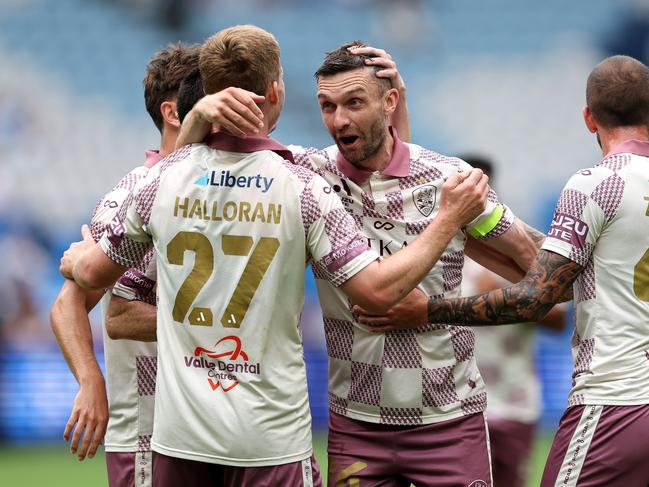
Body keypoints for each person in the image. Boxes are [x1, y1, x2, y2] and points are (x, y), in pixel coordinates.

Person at [58, 25, 489, 487]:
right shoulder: (303, 186)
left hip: (179, 435)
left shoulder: (158, 181)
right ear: (275, 91)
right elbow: (378, 289)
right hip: (270, 438)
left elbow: (89, 276)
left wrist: (76, 260)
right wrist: (446, 219)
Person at [177, 42, 545, 486]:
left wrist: (478, 232)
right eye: (327, 106)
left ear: (389, 101)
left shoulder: (450, 179)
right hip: (357, 423)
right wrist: (198, 117)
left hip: (449, 420)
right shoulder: (305, 174)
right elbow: (190, 177)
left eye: (354, 103)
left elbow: (540, 270)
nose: (339, 120)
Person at [418, 55, 649, 486]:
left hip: (617, 399)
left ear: (588, 118)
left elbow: (536, 298)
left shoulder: (596, 183)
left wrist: (427, 310)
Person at [50, 42, 200, 486]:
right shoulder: (132, 194)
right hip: (147, 431)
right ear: (175, 113)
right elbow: (68, 305)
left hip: (211, 421)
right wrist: (89, 379)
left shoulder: (222, 188)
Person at [461, 155, 567, 487]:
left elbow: (559, 319)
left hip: (513, 402)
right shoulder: (432, 254)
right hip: (456, 406)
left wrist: (509, 294)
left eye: (482, 187)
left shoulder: (517, 250)